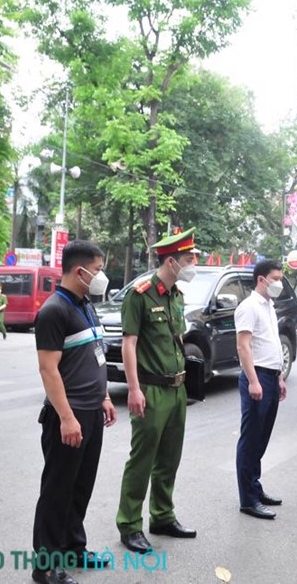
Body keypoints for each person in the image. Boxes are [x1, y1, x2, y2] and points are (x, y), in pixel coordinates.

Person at [32, 240, 116, 584]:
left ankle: (73, 549)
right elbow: (48, 370)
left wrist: (106, 396)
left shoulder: (85, 305)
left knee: (80, 487)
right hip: (68, 416)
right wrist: (66, 417)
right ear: (79, 271)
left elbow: (93, 355)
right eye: (97, 270)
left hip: (92, 412)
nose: (101, 276)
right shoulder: (54, 311)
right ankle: (46, 565)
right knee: (57, 491)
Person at [116, 228, 200, 553]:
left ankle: (162, 515)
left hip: (177, 390)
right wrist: (133, 389)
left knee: (169, 458)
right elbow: (129, 344)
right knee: (142, 459)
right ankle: (129, 524)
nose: (193, 263)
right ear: (170, 261)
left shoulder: (175, 295)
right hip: (150, 390)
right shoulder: (140, 294)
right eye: (188, 259)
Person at [234, 259, 287, 519]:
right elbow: (244, 347)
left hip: (270, 376)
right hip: (257, 377)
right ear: (261, 279)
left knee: (261, 439)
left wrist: (278, 378)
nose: (278, 283)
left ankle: (255, 488)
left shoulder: (269, 305)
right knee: (251, 439)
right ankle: (248, 500)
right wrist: (254, 380)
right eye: (275, 278)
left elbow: (270, 343)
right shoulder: (249, 307)